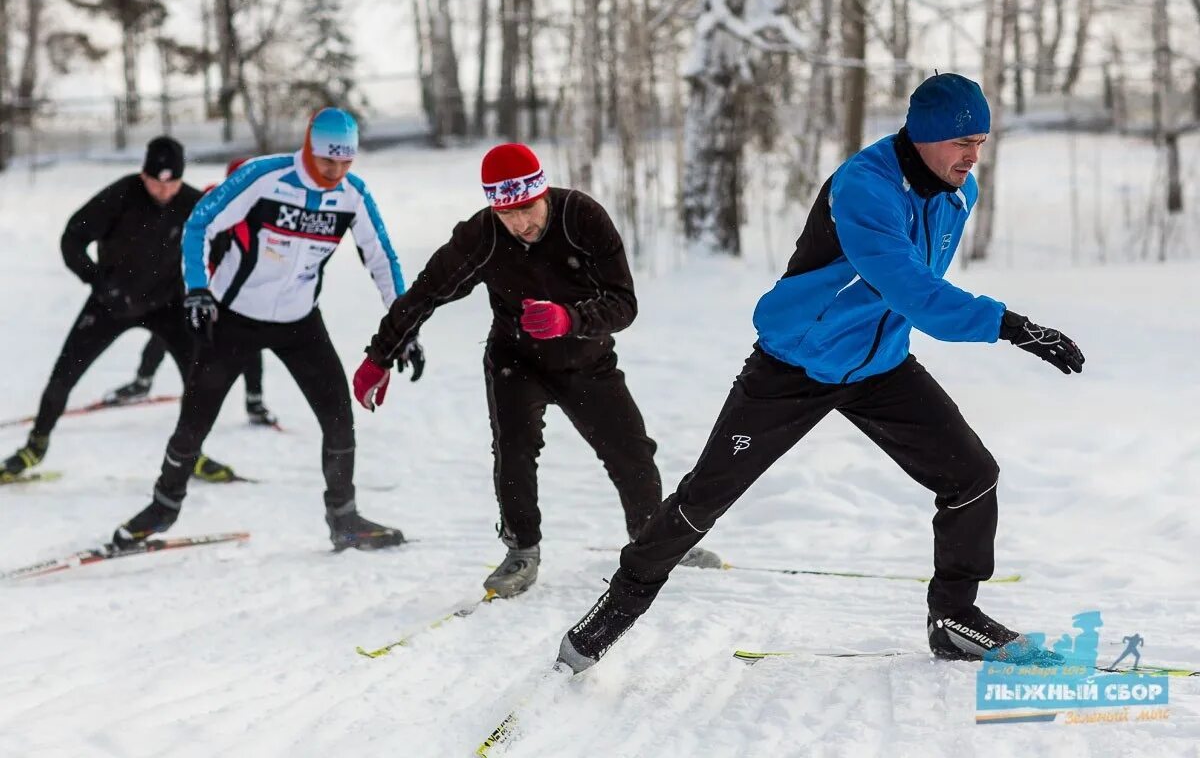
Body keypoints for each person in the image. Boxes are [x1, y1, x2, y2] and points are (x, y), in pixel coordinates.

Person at [556, 74, 1087, 674]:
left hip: (878, 366)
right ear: (926, 135)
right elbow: (912, 287)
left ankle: (954, 619)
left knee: (973, 476)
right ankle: (614, 612)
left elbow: (908, 290)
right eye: (962, 140)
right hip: (795, 366)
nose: (972, 155)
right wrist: (1011, 325)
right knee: (705, 498)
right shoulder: (864, 187)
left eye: (982, 141)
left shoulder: (956, 191)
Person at [353, 143, 717, 597]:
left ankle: (656, 540)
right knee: (515, 450)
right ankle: (521, 550)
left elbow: (624, 304)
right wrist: (379, 356)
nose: (521, 223)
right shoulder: (482, 236)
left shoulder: (581, 218)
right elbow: (426, 293)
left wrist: (570, 319)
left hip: (587, 359)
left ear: (542, 193)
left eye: (527, 208)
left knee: (631, 451)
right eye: (507, 213)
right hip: (516, 360)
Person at [111, 108, 410, 550]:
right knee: (195, 421)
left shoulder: (353, 195)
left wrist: (404, 325)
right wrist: (198, 289)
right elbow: (200, 223)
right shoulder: (264, 176)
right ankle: (162, 508)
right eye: (328, 160)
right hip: (234, 320)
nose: (336, 171)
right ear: (309, 147)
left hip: (299, 322)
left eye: (346, 162)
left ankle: (344, 518)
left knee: (338, 419)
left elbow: (382, 258)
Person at [1, 137, 236, 485]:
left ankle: (191, 453)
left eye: (171, 182)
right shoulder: (122, 195)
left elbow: (223, 250)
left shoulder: (192, 202)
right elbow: (72, 238)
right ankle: (36, 444)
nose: (163, 189)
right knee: (63, 374)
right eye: (156, 181)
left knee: (199, 380)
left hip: (167, 305)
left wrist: (204, 292)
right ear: (144, 175)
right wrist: (97, 280)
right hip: (112, 301)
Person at [103, 158, 277, 427]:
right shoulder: (209, 199)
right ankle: (142, 382)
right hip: (199, 283)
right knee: (167, 331)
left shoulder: (266, 207)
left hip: (236, 289)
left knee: (248, 339)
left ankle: (254, 400)